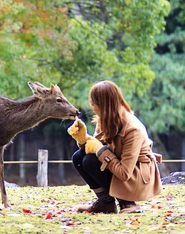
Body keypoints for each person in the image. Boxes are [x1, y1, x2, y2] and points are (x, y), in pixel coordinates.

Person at [67, 80, 162, 214]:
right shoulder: (105, 119)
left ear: (104, 105)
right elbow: (95, 148)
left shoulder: (132, 129)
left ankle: (128, 203)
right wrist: (83, 139)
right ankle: (105, 202)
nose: (92, 107)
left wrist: (99, 149)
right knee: (79, 157)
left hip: (136, 176)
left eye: (94, 103)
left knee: (90, 161)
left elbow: (124, 173)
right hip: (118, 165)